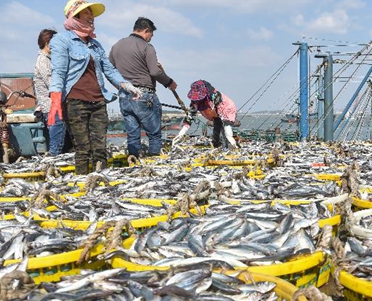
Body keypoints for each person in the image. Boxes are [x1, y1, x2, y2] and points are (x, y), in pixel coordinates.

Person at [49, 0, 141, 174]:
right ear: (74, 16)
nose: (92, 18)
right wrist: (55, 98)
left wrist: (126, 85)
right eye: (87, 14)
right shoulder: (61, 40)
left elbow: (109, 69)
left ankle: (100, 183)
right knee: (83, 148)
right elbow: (58, 72)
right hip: (75, 102)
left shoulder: (95, 45)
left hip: (98, 101)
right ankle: (83, 183)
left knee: (100, 148)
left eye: (92, 15)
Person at [109, 17, 177, 158]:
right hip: (144, 94)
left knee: (132, 134)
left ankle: (133, 160)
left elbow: (110, 72)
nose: (150, 39)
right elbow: (155, 71)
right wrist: (169, 82)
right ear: (146, 31)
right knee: (154, 134)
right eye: (151, 35)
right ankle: (154, 161)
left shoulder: (116, 46)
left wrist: (120, 87)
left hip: (124, 96)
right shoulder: (146, 47)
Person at [34, 29, 68, 155]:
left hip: (55, 107)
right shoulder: (43, 60)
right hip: (51, 108)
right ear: (48, 43)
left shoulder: (49, 59)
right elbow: (52, 83)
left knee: (61, 145)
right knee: (56, 147)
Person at [178, 80, 239, 150]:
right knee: (216, 129)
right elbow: (190, 117)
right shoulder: (195, 102)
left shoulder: (215, 96)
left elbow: (224, 116)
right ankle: (217, 145)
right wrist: (180, 135)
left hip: (226, 110)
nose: (197, 100)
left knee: (225, 131)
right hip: (215, 115)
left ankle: (230, 146)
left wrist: (229, 136)